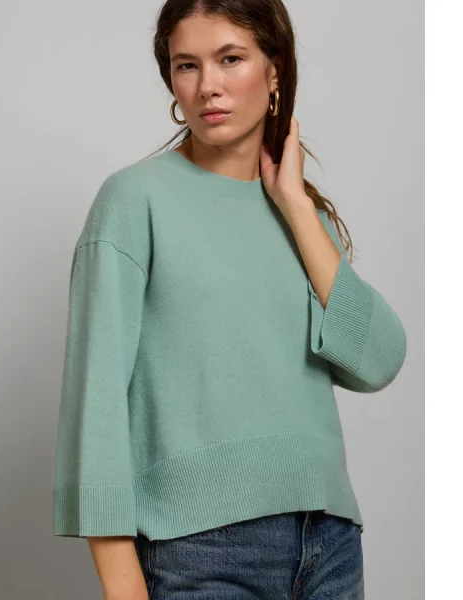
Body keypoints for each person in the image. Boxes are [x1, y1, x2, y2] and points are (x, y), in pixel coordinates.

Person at [51, 1, 407, 598]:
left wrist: (296, 206)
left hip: (330, 545)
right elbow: (96, 400)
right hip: (202, 552)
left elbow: (378, 360)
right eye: (187, 65)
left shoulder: (302, 216)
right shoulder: (135, 200)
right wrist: (121, 581)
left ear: (275, 71)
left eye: (231, 59)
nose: (208, 86)